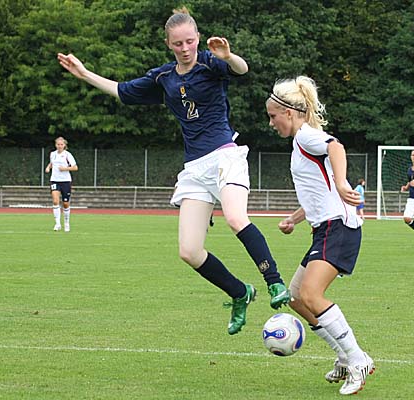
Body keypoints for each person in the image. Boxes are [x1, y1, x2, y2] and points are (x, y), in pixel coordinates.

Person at [57, 7, 290, 335]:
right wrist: (84, 74)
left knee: (236, 218)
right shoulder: (163, 77)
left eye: (190, 41)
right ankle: (240, 292)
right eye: (178, 43)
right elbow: (122, 91)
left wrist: (228, 55)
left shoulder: (210, 63)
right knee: (189, 251)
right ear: (168, 44)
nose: (185, 48)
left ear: (198, 38)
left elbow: (241, 69)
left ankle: (274, 281)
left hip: (225, 156)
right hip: (195, 169)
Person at [266, 76, 374, 396]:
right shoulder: (300, 143)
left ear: (289, 113)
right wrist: (294, 218)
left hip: (337, 227)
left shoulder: (306, 136)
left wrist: (341, 183)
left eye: (273, 116)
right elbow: (317, 192)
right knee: (296, 297)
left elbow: (335, 147)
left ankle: (358, 360)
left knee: (311, 295)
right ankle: (345, 356)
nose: (271, 123)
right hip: (325, 229)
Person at [45, 137, 78, 232]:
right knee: (55, 201)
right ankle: (57, 224)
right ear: (56, 145)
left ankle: (66, 223)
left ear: (64, 145)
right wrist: (48, 167)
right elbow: (52, 163)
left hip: (66, 181)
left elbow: (75, 167)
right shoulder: (52, 154)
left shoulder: (67, 155)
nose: (59, 146)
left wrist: (65, 169)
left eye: (61, 144)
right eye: (58, 144)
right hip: (55, 180)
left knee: (65, 203)